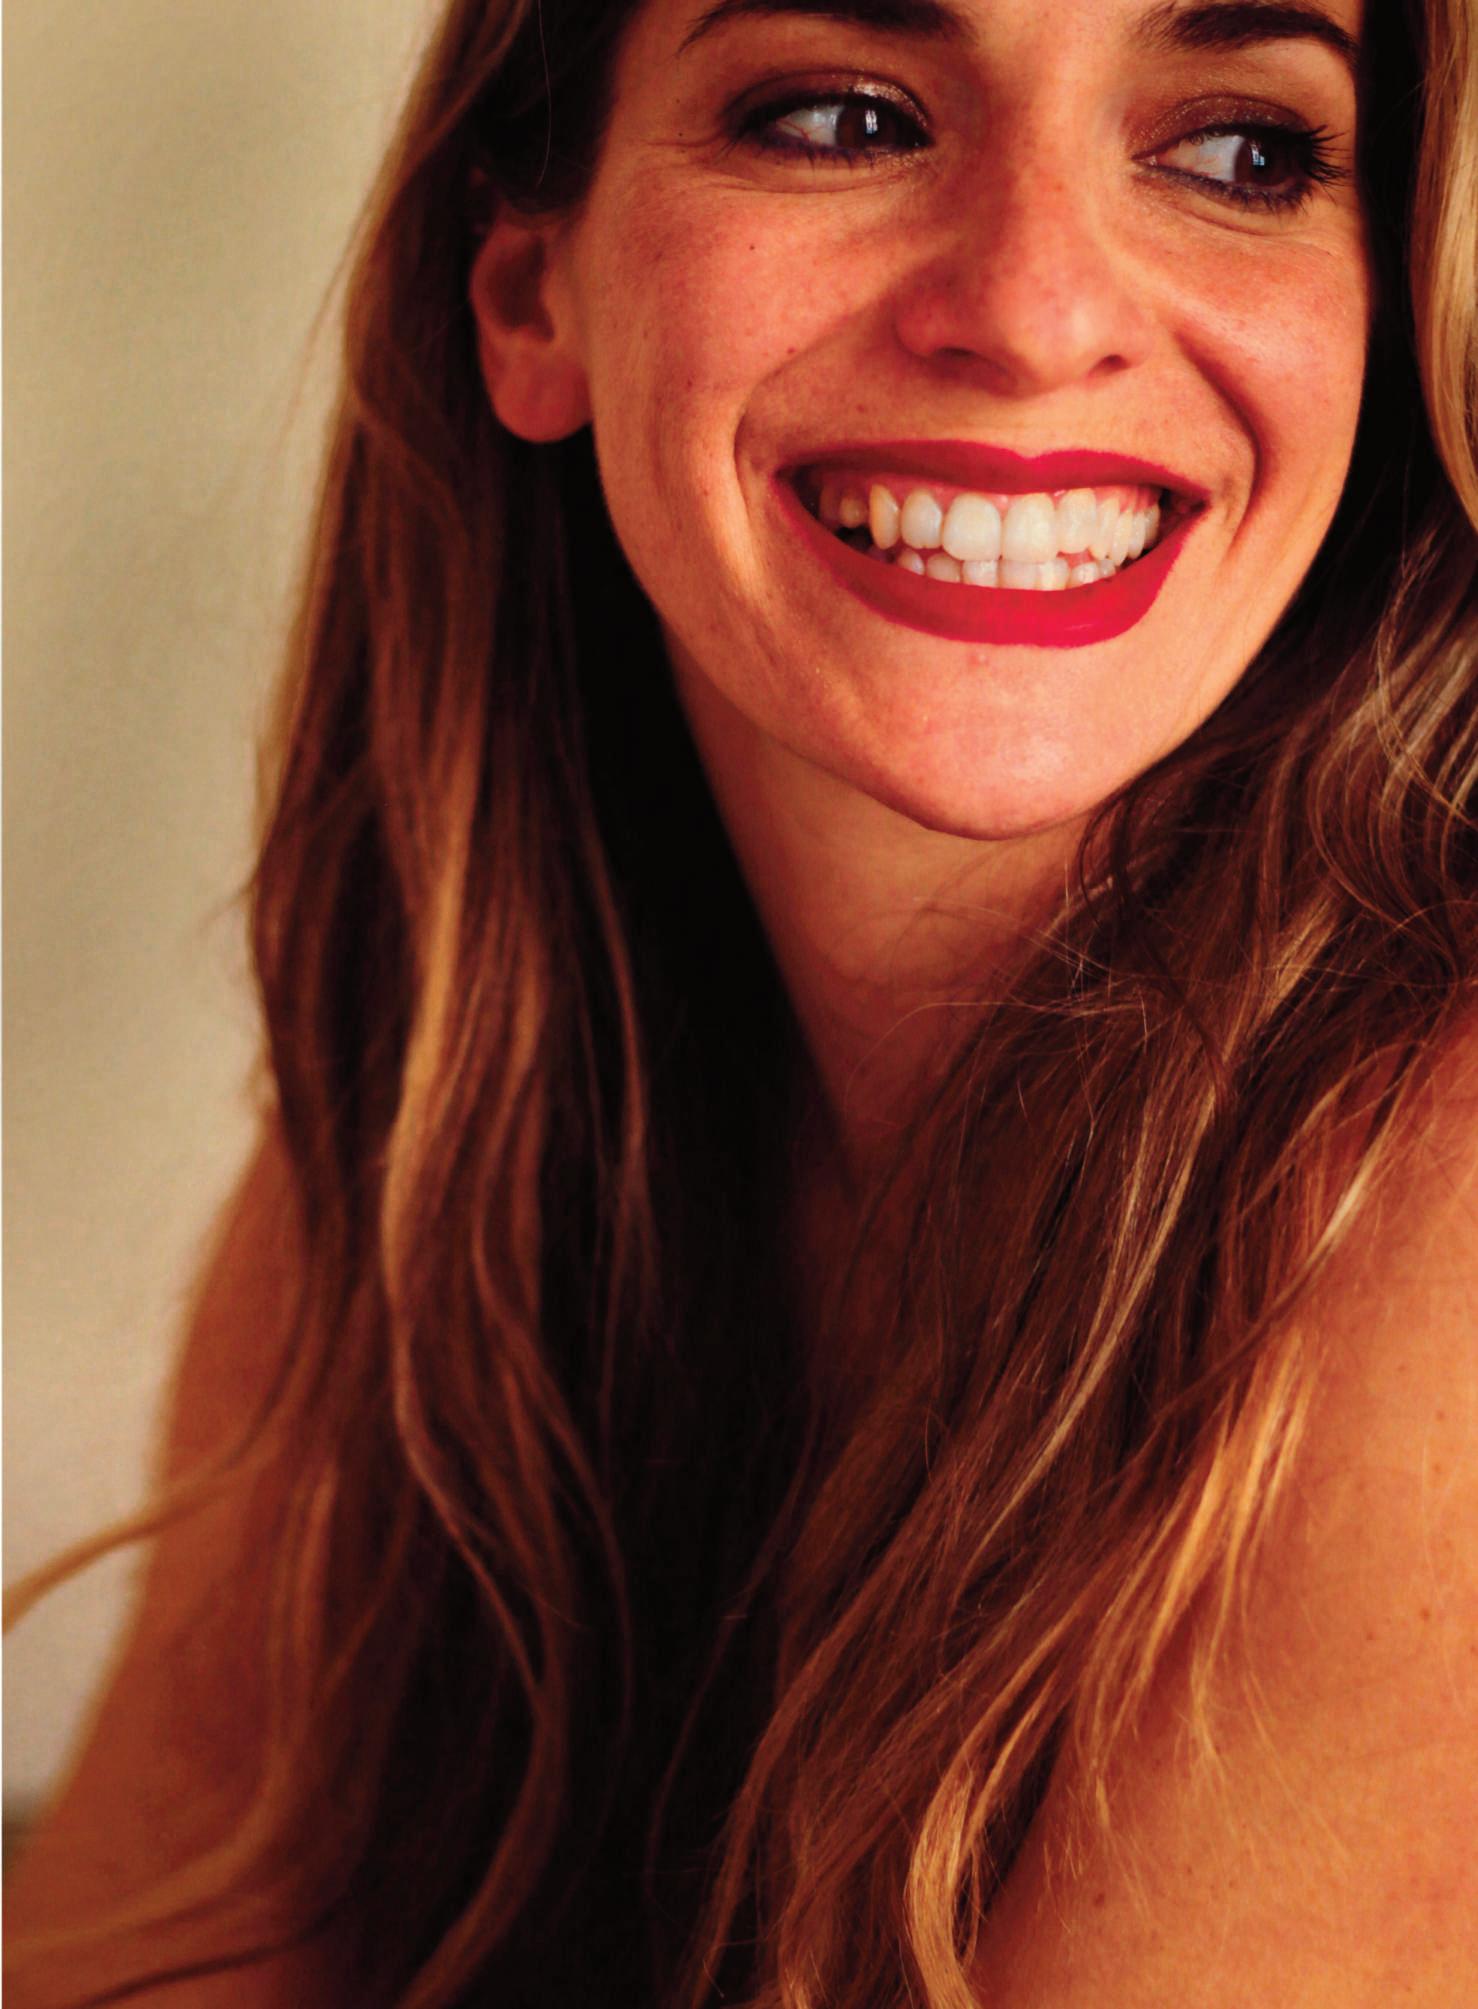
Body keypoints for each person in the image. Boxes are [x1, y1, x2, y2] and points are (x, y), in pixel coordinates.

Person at [7, 0, 1477, 2001]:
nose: (1034, 311)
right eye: (840, 117)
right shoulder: (448, 1161)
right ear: (526, 291)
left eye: (1242, 152)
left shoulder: (1436, 1219)